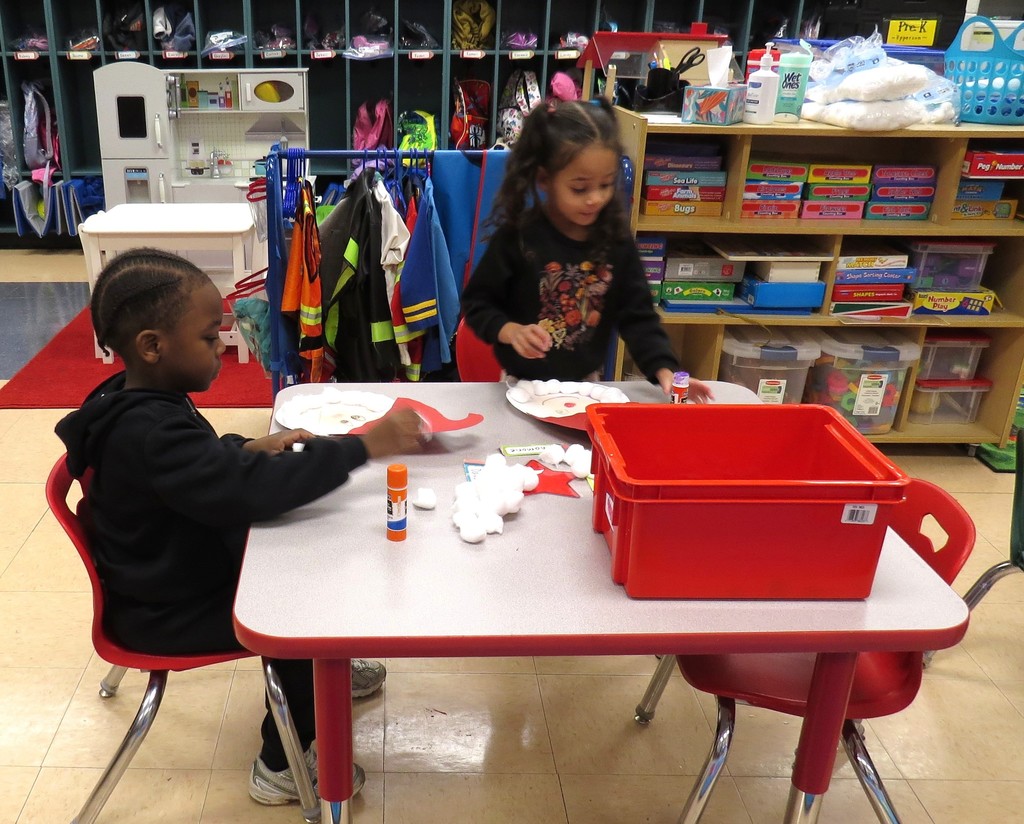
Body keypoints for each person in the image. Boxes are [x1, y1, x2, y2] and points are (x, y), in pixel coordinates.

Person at [55, 248, 424, 808]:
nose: (224, 348)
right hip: (164, 611)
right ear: (153, 346)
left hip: (164, 570)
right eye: (209, 338)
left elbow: (196, 469)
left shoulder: (130, 399)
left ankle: (330, 670)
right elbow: (247, 491)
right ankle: (281, 764)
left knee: (301, 554)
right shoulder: (151, 432)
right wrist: (366, 446)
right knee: (298, 610)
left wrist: (243, 447)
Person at [461, 97, 712, 401]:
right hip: (519, 386)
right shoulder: (519, 237)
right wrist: (511, 331)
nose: (595, 198)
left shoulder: (615, 241)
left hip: (586, 386)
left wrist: (666, 372)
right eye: (579, 188)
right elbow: (478, 303)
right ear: (544, 178)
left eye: (606, 185)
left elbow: (638, 316)